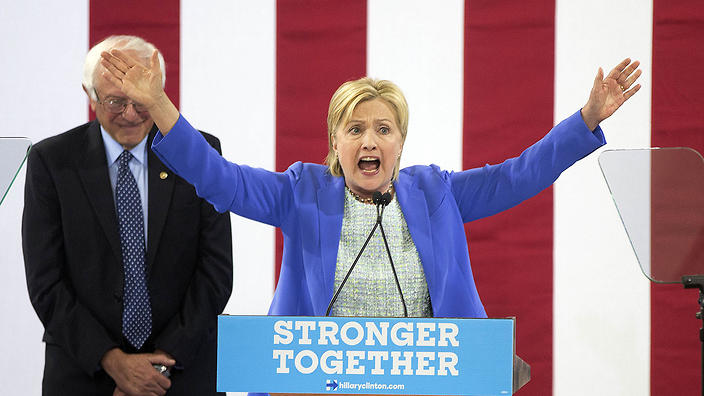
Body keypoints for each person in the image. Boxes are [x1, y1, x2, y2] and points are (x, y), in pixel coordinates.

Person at [99, 49, 640, 319]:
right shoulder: (300, 192)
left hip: (429, 385)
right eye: (354, 129)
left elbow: (521, 174)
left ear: (401, 143)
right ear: (335, 142)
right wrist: (160, 107)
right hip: (319, 388)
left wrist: (587, 118)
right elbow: (221, 178)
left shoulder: (436, 192)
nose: (369, 142)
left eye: (383, 129)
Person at [22, 36, 233, 396]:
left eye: (142, 101)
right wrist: (114, 363)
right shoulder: (52, 162)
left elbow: (215, 270)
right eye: (116, 102)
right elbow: (46, 282)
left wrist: (158, 366)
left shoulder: (200, 153)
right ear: (90, 95)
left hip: (183, 372)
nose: (131, 114)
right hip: (83, 373)